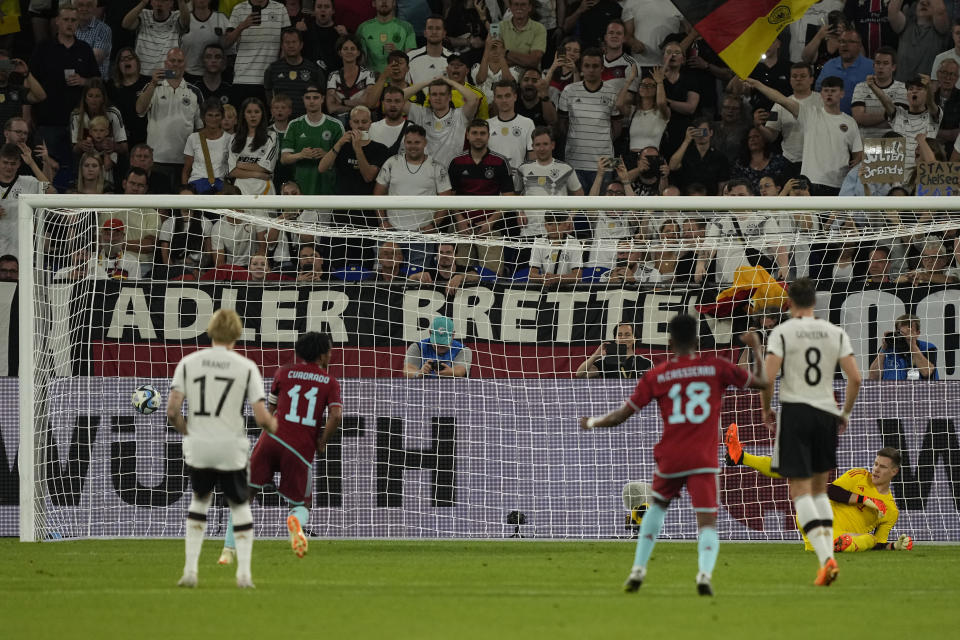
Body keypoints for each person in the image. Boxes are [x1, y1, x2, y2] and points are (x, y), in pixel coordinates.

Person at [580, 314, 766, 596]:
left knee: (656, 508)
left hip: (671, 457)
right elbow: (763, 382)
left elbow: (621, 416)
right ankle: (704, 573)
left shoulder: (658, 374)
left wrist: (592, 422)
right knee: (706, 522)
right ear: (698, 341)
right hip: (703, 458)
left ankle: (638, 569)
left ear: (669, 343)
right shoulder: (715, 367)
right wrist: (756, 348)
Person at [760, 278, 862, 586]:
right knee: (820, 491)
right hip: (826, 412)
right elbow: (855, 378)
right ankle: (827, 556)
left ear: (788, 303)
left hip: (796, 412)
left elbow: (767, 378)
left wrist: (766, 409)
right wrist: (843, 413)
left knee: (799, 491)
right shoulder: (835, 332)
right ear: (814, 302)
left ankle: (825, 559)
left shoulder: (783, 331)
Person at [167, 308, 278, 589]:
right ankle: (244, 576)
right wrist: (279, 430)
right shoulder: (246, 367)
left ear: (210, 331)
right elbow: (262, 417)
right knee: (240, 506)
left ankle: (190, 571)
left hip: (200, 444)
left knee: (199, 502)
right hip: (230, 445)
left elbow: (172, 411)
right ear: (237, 335)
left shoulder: (189, 362)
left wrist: (187, 430)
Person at [218, 331, 341, 564]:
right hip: (299, 448)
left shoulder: (284, 373)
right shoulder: (329, 382)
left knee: (245, 496)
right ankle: (295, 522)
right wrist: (322, 441)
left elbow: (270, 409)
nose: (331, 355)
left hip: (270, 440)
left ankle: (228, 551)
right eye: (330, 350)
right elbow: (336, 415)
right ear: (323, 355)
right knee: (302, 504)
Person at [725, 435, 914, 553]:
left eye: (882, 467)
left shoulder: (891, 510)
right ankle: (741, 457)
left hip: (841, 537)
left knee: (870, 540)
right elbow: (831, 490)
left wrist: (894, 546)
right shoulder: (859, 476)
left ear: (894, 472)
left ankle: (837, 544)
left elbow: (879, 543)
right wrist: (867, 500)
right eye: (875, 464)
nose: (875, 470)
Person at [747, 75, 863, 196]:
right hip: (810, 182)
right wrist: (757, 84)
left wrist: (857, 161)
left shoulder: (850, 122)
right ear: (821, 94)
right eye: (826, 91)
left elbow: (858, 153)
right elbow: (781, 99)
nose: (829, 94)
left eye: (833, 91)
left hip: (840, 183)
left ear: (842, 93)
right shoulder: (809, 114)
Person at [373, 125, 453, 270]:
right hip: (391, 231)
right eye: (409, 142)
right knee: (383, 277)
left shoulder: (437, 167)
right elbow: (378, 194)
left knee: (417, 280)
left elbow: (446, 201)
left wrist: (433, 225)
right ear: (404, 142)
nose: (413, 146)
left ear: (425, 143)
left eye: (417, 142)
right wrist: (382, 221)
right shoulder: (392, 163)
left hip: (421, 234)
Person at [449, 119, 515, 276]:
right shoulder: (456, 162)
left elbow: (509, 196)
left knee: (492, 273)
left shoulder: (500, 162)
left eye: (482, 133)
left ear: (488, 136)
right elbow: (449, 196)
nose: (478, 137)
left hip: (489, 228)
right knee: (459, 272)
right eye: (474, 133)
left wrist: (490, 222)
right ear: (467, 135)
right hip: (462, 228)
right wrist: (460, 220)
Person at [136, 48, 204, 185]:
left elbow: (200, 129)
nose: (176, 64)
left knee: (181, 203)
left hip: (184, 161)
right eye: (172, 61)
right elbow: (139, 109)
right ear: (166, 63)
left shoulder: (195, 92)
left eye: (179, 61)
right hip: (155, 160)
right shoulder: (152, 87)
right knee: (157, 205)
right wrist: (153, 83)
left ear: (185, 65)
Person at [557, 47, 621, 187]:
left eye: (595, 66)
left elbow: (617, 127)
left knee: (602, 209)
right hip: (574, 162)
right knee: (576, 209)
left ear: (602, 68)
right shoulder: (569, 91)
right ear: (581, 68)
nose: (591, 70)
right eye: (587, 66)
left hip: (604, 164)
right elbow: (561, 125)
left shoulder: (612, 92)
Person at [281, 83, 344, 195]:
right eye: (308, 98)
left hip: (327, 188)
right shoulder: (294, 125)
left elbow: (344, 160)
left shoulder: (335, 125)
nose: (311, 101)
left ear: (322, 99)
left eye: (315, 97)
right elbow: (284, 159)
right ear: (303, 100)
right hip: (300, 189)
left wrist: (327, 155)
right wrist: (301, 155)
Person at [224, 0, 291, 105]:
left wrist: (278, 71)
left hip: (268, 80)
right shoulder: (239, 9)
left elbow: (286, 44)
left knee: (267, 119)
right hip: (242, 77)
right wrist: (242, 26)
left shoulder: (280, 8)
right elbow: (226, 43)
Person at [122, 0, 190, 80]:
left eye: (163, 1)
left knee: (175, 75)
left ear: (171, 3)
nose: (159, 4)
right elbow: (125, 24)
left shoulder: (177, 16)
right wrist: (143, 3)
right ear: (151, 2)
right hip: (141, 75)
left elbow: (186, 23)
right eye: (156, 0)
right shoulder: (144, 14)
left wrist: (181, 2)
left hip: (166, 77)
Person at [265, 28, 323, 121]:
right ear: (282, 46)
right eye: (287, 42)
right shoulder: (273, 69)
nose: (291, 45)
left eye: (294, 42)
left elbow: (321, 95)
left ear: (301, 45)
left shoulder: (314, 69)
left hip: (306, 122)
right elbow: (268, 93)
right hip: (281, 122)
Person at [815, 29, 873, 115]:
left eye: (850, 42)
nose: (845, 45)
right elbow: (818, 92)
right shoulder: (829, 65)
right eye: (841, 41)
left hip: (861, 123)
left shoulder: (872, 67)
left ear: (860, 45)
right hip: (831, 121)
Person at [889, 0, 950, 83]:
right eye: (921, 2)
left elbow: (940, 11)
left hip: (927, 90)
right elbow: (892, 11)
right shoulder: (905, 26)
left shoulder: (940, 30)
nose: (924, 3)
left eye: (928, 3)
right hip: (901, 88)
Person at [229, 97, 279, 196]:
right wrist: (258, 174)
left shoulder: (272, 136)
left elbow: (267, 167)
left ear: (262, 114)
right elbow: (231, 171)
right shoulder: (234, 138)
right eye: (249, 112)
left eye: (256, 112)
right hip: (240, 189)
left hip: (264, 188)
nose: (253, 115)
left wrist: (239, 164)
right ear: (243, 115)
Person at [868, 313, 939, 381]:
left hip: (920, 392)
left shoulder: (928, 348)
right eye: (901, 333)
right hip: (890, 391)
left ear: (918, 333)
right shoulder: (887, 349)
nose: (904, 337)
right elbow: (872, 378)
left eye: (909, 332)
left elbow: (927, 372)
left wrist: (912, 345)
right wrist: (883, 348)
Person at [356, 0, 416, 74]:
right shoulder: (363, 28)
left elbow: (411, 59)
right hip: (371, 81)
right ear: (374, 3)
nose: (384, 2)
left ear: (394, 3)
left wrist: (397, 54)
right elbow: (359, 60)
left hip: (398, 80)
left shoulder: (407, 27)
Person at [403, 315, 471, 378]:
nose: (440, 346)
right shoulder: (417, 347)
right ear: (430, 333)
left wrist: (450, 372)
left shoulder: (462, 350)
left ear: (453, 335)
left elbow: (460, 371)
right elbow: (408, 370)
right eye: (437, 342)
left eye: (443, 343)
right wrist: (420, 372)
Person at [576, 323, 652, 379]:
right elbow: (580, 374)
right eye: (619, 335)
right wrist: (595, 356)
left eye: (627, 334)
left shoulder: (645, 363)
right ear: (615, 339)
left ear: (634, 339)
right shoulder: (607, 362)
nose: (623, 337)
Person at [498, 0, 546, 69]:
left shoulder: (540, 28)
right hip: (504, 74)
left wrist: (506, 53)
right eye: (516, 4)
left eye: (523, 4)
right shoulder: (496, 27)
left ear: (529, 7)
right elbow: (494, 57)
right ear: (510, 7)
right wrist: (524, 60)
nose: (519, 8)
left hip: (529, 76)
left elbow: (533, 61)